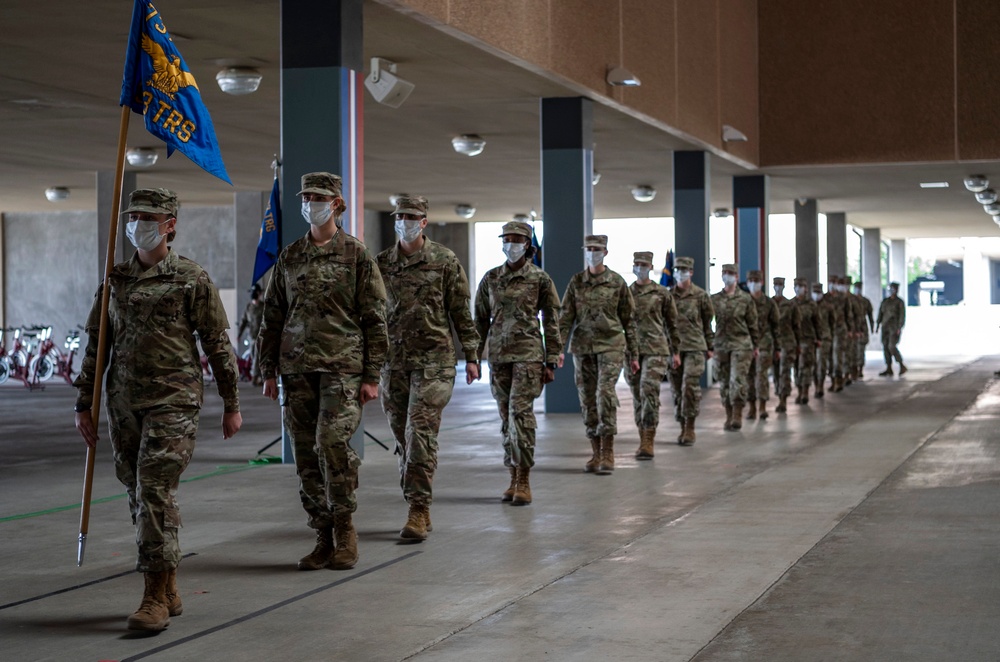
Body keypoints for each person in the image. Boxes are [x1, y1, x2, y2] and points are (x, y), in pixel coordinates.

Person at [74, 188, 242, 633]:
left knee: (153, 488)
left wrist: (231, 402)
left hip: (175, 401)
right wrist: (83, 403)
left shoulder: (191, 278)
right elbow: (97, 345)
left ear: (169, 224)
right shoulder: (115, 281)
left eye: (148, 216)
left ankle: (152, 597)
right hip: (124, 402)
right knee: (139, 492)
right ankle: (167, 581)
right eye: (132, 216)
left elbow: (217, 345)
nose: (137, 224)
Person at [257, 172, 388, 572]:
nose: (310, 202)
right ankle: (322, 535)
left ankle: (345, 529)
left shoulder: (356, 255)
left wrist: (372, 374)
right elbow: (273, 315)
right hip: (297, 369)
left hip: (342, 368)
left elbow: (375, 317)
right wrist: (267, 370)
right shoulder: (291, 256)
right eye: (306, 196)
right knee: (304, 454)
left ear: (336, 204)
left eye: (318, 197)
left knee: (332, 444)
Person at [377, 195, 480, 541]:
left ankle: (418, 509)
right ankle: (415, 497)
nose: (404, 221)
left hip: (435, 362)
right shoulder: (380, 264)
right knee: (402, 438)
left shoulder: (445, 261)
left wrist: (473, 356)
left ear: (423, 222)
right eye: (400, 215)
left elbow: (460, 313)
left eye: (411, 216)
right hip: (393, 365)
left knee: (418, 433)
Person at [474, 220, 561, 504]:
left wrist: (551, 360)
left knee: (520, 415)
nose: (510, 244)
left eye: (516, 239)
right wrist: (473, 356)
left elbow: (551, 320)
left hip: (529, 355)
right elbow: (479, 320)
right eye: (506, 239)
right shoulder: (490, 278)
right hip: (498, 356)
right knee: (505, 418)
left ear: (527, 245)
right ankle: (511, 476)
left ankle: (524, 479)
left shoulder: (540, 279)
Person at [558, 235, 639, 472]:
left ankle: (608, 451)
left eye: (597, 249)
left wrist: (633, 354)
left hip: (612, 344)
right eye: (589, 249)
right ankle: (595, 452)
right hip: (582, 347)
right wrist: (558, 350)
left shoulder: (617, 282)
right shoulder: (576, 282)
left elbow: (629, 320)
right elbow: (565, 318)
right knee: (587, 398)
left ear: (605, 252)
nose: (593, 252)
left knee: (604, 392)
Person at [626, 251, 680, 458]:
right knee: (637, 395)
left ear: (650, 267)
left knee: (648, 389)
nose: (640, 267)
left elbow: (671, 324)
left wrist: (675, 351)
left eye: (643, 264)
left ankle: (649, 439)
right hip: (631, 351)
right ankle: (642, 436)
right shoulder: (625, 293)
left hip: (656, 349)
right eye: (636, 263)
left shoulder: (662, 293)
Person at [668, 256, 714, 445]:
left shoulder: (701, 296)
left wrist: (710, 346)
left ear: (691, 272)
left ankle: (690, 427)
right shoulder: (667, 296)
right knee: (677, 390)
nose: (680, 273)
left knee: (689, 386)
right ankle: (682, 425)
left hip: (695, 346)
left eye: (684, 269)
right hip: (673, 349)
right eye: (677, 269)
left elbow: (707, 323)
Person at [710, 263, 759, 430]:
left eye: (730, 273)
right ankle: (728, 414)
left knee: (737, 380)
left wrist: (756, 346)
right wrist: (710, 343)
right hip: (721, 345)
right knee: (723, 382)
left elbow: (753, 324)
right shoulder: (714, 299)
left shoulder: (745, 299)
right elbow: (706, 322)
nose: (727, 276)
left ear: (737, 277)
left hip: (741, 345)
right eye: (724, 272)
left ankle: (737, 413)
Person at [746, 270, 779, 420]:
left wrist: (777, 348)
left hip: (764, 344)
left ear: (761, 282)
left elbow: (776, 326)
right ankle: (751, 407)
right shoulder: (743, 301)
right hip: (746, 345)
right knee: (748, 377)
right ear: (747, 283)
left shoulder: (769, 303)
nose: (754, 283)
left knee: (761, 376)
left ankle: (762, 407)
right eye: (751, 280)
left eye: (756, 280)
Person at [772, 276, 801, 413]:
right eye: (776, 284)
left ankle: (783, 399)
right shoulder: (769, 303)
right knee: (776, 372)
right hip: (772, 344)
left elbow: (796, 326)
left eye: (780, 284)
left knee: (784, 372)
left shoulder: (790, 305)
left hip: (788, 343)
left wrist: (798, 344)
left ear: (784, 286)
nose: (778, 287)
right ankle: (778, 393)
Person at [792, 277, 822, 404]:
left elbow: (817, 322)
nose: (798, 288)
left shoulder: (811, 304)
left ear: (805, 288)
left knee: (806, 366)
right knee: (796, 367)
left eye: (801, 285)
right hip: (793, 340)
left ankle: (805, 392)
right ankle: (799, 390)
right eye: (796, 285)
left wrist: (819, 338)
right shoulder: (790, 303)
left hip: (808, 339)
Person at [876, 281, 907, 375]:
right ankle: (888, 367)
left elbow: (902, 316)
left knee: (891, 346)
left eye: (894, 288)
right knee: (885, 346)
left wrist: (899, 327)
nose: (892, 290)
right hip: (885, 327)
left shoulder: (899, 302)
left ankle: (901, 364)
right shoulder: (885, 301)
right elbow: (880, 313)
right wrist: (877, 324)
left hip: (894, 328)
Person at [237, 283, 265, 385]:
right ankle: (258, 376)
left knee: (259, 356)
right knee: (253, 356)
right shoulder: (249, 307)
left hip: (261, 336)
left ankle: (255, 376)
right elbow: (243, 321)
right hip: (252, 337)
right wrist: (239, 335)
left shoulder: (263, 307)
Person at [812, 283, 834, 398]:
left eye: (818, 292)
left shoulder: (828, 306)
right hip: (811, 339)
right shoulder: (809, 306)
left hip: (825, 338)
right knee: (813, 364)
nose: (816, 295)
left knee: (822, 363)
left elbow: (832, 323)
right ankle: (815, 385)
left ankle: (820, 385)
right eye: (814, 292)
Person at [852, 279, 875, 379]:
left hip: (863, 328)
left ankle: (860, 369)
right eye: (856, 288)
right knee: (852, 349)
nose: (858, 290)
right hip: (852, 328)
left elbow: (870, 315)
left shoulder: (865, 301)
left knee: (861, 349)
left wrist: (872, 326)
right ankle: (853, 369)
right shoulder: (850, 300)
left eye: (859, 288)